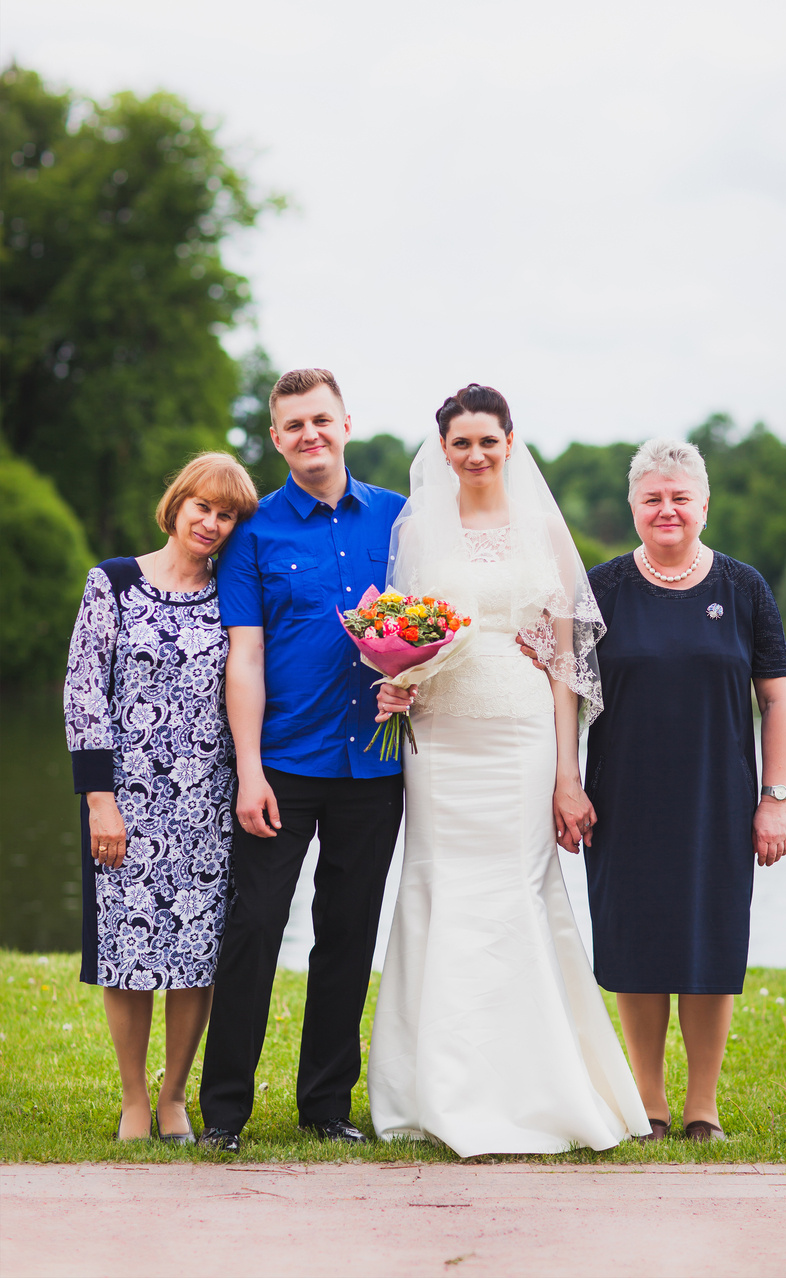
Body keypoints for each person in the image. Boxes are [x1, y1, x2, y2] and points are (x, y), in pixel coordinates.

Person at [361, 385, 650, 1156]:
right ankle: (434, 1090)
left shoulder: (544, 532)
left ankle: (539, 1087)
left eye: (488, 441)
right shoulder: (419, 529)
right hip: (442, 736)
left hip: (522, 734)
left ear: (511, 442)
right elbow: (405, 628)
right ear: (445, 450)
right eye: (461, 443)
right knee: (439, 890)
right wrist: (396, 680)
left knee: (520, 893)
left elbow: (566, 664)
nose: (476, 455)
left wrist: (567, 773)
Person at [202, 369, 409, 1153]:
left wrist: (413, 686)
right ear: (276, 439)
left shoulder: (399, 520)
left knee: (348, 935)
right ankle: (224, 1113)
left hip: (374, 767)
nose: (309, 435)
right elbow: (245, 658)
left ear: (346, 422)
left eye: (320, 419)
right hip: (283, 766)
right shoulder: (253, 533)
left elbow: (431, 630)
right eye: (293, 426)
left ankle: (325, 1105)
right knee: (252, 929)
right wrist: (248, 770)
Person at [571, 438, 786, 1141]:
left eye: (679, 497)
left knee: (709, 949)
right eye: (652, 499)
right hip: (623, 796)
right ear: (635, 508)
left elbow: (779, 700)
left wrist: (775, 798)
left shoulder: (743, 588)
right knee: (636, 947)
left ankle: (703, 1106)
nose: (666, 509)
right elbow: (562, 692)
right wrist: (567, 786)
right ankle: (649, 1103)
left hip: (719, 800)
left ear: (703, 504)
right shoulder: (600, 589)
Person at [65, 453, 258, 1142]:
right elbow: (84, 693)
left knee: (194, 953)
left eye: (226, 514)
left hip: (207, 803)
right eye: (202, 507)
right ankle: (133, 1101)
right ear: (177, 505)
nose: (211, 522)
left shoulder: (234, 595)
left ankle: (174, 1096)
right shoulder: (113, 583)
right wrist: (99, 801)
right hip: (127, 800)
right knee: (128, 950)